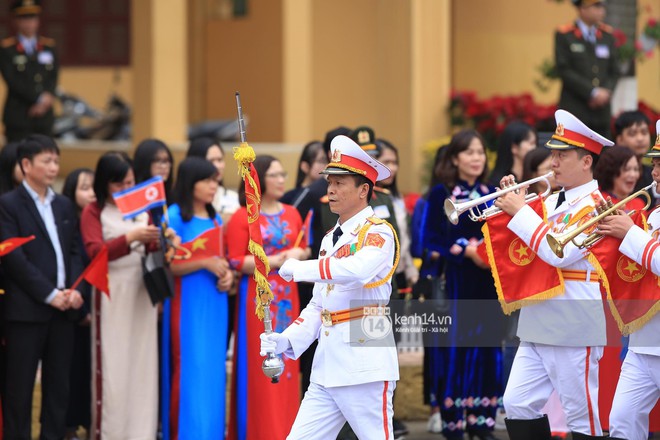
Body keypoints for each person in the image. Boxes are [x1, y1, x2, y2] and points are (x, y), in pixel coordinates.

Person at [260, 135, 399, 440]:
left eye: (340, 183)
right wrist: (286, 340)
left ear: (364, 190)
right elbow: (319, 305)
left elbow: (355, 270)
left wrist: (300, 268)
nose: (331, 190)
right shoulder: (329, 238)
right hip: (327, 365)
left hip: (365, 355)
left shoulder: (379, 233)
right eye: (330, 182)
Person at [494, 109, 615, 439]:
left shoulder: (596, 205)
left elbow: (557, 253)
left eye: (562, 155)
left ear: (586, 161)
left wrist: (520, 211)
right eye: (553, 154)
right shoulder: (551, 202)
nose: (553, 162)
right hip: (538, 319)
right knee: (516, 403)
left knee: (581, 417)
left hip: (574, 320)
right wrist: (513, 200)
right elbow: (522, 245)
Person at [0, 134, 84, 440]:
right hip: (27, 311)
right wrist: (50, 294)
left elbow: (75, 250)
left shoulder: (62, 204)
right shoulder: (8, 205)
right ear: (26, 165)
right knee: (19, 391)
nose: (53, 167)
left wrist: (74, 289)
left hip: (64, 310)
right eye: (46, 160)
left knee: (57, 388)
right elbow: (14, 258)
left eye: (56, 160)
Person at [423, 129, 503, 440]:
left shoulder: (491, 191)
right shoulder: (440, 193)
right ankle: (454, 423)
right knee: (455, 352)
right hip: (456, 283)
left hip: (486, 281)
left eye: (480, 152)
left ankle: (482, 421)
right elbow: (428, 241)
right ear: (455, 157)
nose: (476, 158)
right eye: (469, 152)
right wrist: (464, 248)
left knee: (487, 351)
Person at [226, 155, 308, 440]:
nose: (282, 179)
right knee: (261, 364)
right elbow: (237, 260)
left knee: (288, 364)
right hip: (258, 300)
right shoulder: (243, 216)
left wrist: (298, 255)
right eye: (274, 174)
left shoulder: (292, 213)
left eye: (283, 173)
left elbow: (304, 248)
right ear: (259, 179)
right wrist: (280, 259)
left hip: (289, 297)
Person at [81, 151, 162, 439]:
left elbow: (154, 247)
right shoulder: (94, 211)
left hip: (142, 294)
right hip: (112, 293)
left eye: (130, 181)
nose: (126, 189)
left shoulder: (142, 205)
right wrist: (128, 239)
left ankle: (142, 433)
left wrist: (163, 240)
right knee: (114, 368)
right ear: (104, 183)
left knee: (143, 367)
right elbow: (93, 252)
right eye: (118, 184)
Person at [161, 157, 233, 440]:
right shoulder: (175, 216)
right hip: (187, 303)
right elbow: (171, 265)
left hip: (215, 303)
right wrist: (205, 264)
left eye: (216, 180)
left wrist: (226, 276)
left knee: (214, 372)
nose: (213, 186)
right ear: (191, 183)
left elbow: (221, 259)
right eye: (207, 181)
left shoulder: (215, 218)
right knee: (191, 368)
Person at [599, 119, 660, 440]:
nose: (655, 172)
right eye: (655, 163)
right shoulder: (653, 214)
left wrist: (630, 234)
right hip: (644, 340)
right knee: (622, 423)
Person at [61, 167, 95, 440]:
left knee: (91, 372)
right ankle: (68, 426)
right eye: (85, 188)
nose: (92, 193)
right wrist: (81, 309)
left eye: (95, 187)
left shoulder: (97, 223)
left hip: (98, 310)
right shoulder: (67, 223)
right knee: (71, 371)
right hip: (72, 311)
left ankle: (89, 423)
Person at [555, 0, 619, 138]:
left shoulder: (607, 36)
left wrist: (605, 93)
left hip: (601, 112)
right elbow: (564, 69)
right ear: (582, 8)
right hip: (575, 109)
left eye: (602, 6)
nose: (601, 10)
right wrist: (592, 92)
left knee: (603, 155)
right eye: (596, 6)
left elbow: (614, 70)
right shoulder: (565, 35)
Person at [0, 0, 58, 142]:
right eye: (24, 18)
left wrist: (46, 99)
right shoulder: (7, 49)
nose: (29, 23)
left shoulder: (48, 46)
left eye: (32, 18)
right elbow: (13, 81)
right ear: (16, 21)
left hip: (44, 117)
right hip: (19, 116)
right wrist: (38, 98)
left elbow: (53, 76)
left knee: (44, 157)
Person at [187, 136, 240, 225]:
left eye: (220, 160)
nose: (217, 166)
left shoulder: (234, 198)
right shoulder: (178, 206)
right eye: (211, 161)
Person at [281, 140, 328, 216]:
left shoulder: (330, 195)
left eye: (329, 160)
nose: (327, 165)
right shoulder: (288, 198)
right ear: (305, 166)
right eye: (322, 161)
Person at [613, 110, 653, 195]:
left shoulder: (654, 174)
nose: (640, 138)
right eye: (632, 134)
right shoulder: (610, 175)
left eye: (644, 132)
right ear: (620, 140)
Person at [594, 146, 645, 211]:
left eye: (636, 169)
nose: (633, 175)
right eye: (626, 169)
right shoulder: (599, 201)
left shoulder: (639, 204)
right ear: (611, 171)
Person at [489, 121, 538, 186]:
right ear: (514, 148)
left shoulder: (536, 175)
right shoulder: (499, 182)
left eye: (535, 143)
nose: (535, 148)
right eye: (531, 143)